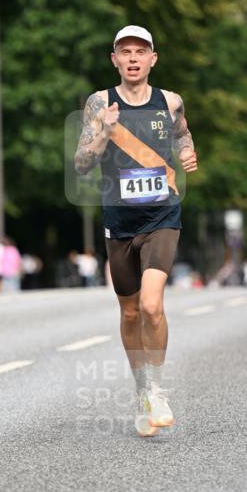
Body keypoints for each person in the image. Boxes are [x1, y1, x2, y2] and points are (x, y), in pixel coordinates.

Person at [74, 25, 198, 437]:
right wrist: (104, 134)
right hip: (119, 221)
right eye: (124, 51)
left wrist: (186, 153)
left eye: (139, 52)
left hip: (162, 216)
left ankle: (158, 390)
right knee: (128, 311)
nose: (132, 58)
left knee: (150, 305)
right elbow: (81, 163)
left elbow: (182, 132)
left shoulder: (171, 101)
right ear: (115, 59)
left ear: (152, 59)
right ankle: (143, 389)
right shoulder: (100, 103)